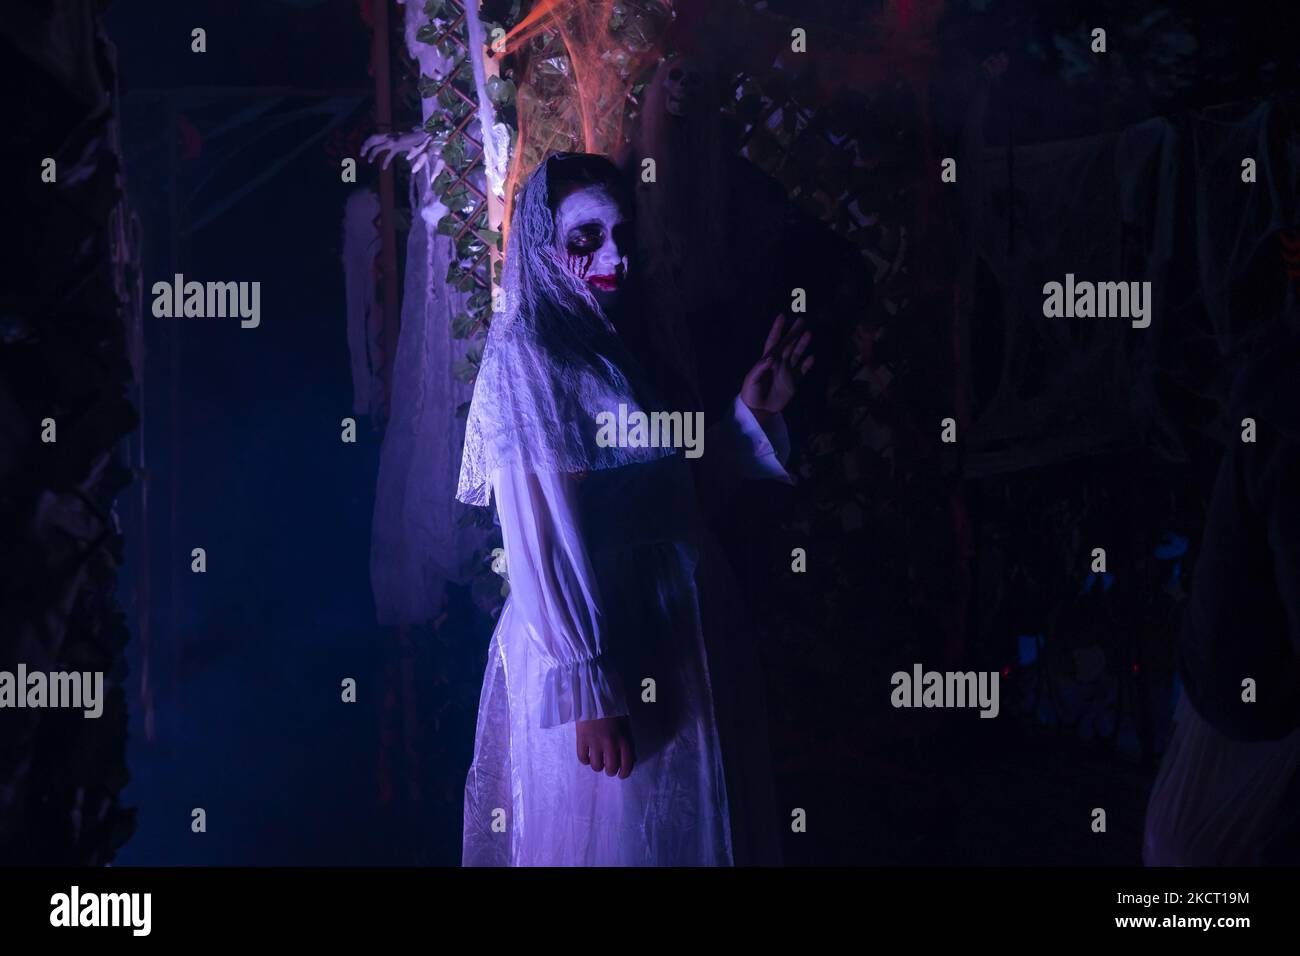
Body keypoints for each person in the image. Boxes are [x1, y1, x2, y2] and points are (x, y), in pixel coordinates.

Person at [456, 152, 813, 865]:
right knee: (615, 831)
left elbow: (661, 482)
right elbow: (538, 527)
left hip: (680, 616)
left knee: (682, 824)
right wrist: (587, 679)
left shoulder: (620, 339)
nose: (613, 254)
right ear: (543, 243)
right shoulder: (528, 351)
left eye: (621, 234)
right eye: (587, 236)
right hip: (604, 630)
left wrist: (748, 416)